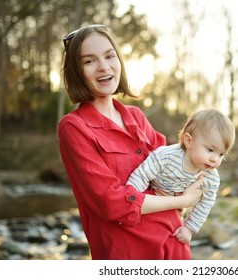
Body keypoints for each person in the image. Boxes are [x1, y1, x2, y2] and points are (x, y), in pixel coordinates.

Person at [57, 24, 203, 260]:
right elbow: (110, 203)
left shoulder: (136, 116)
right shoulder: (74, 127)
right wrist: (184, 200)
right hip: (128, 255)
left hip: (173, 246)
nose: (104, 66)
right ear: (76, 71)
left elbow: (173, 170)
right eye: (89, 61)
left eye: (109, 55)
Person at [127, 108, 236, 243]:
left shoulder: (211, 178)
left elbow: (205, 204)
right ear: (189, 141)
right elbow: (142, 174)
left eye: (221, 154)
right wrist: (130, 197)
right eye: (210, 150)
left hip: (174, 212)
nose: (215, 159)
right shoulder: (166, 156)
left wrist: (189, 228)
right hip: (149, 200)